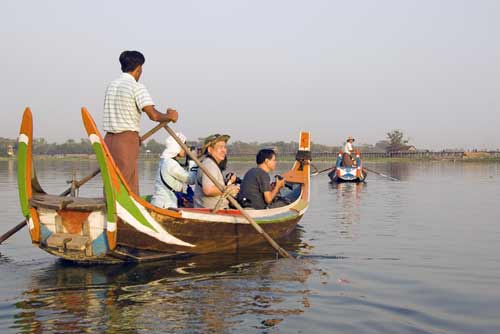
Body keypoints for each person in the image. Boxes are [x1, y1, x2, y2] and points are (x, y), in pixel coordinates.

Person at [103, 50, 178, 195]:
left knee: (113, 181)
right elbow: (154, 115)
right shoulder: (136, 87)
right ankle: (118, 215)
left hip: (108, 140)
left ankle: (115, 211)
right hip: (126, 141)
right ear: (138, 68)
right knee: (124, 185)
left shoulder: (112, 85)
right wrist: (170, 116)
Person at [151, 133, 197, 209]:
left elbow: (182, 173)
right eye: (183, 146)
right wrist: (192, 160)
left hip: (161, 202)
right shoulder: (171, 163)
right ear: (177, 147)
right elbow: (191, 179)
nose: (185, 149)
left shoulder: (166, 160)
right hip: (166, 205)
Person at [193, 134, 239, 209]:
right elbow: (208, 190)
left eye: (224, 147)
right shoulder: (209, 164)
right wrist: (229, 188)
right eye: (220, 147)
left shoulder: (211, 163)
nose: (224, 150)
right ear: (210, 149)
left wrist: (228, 184)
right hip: (213, 211)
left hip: (215, 209)